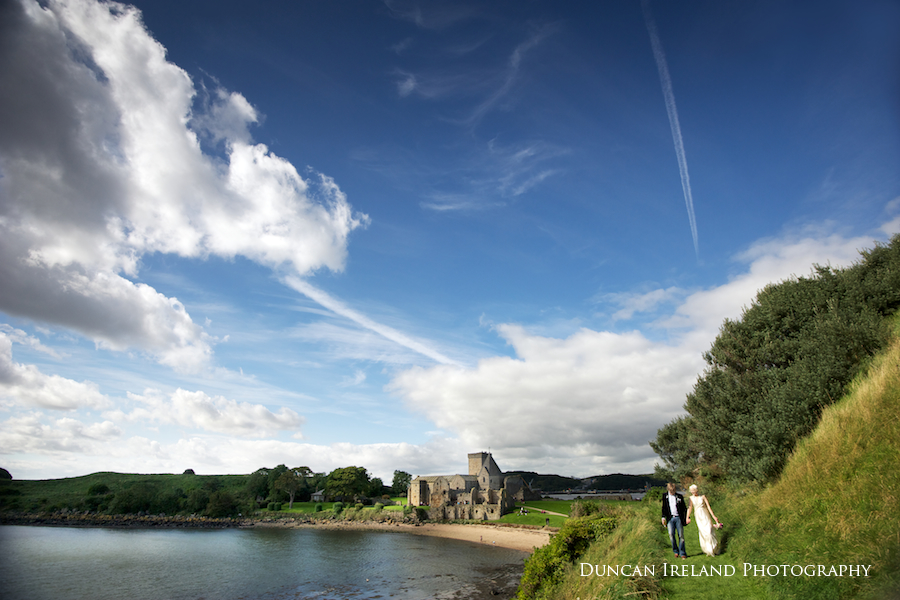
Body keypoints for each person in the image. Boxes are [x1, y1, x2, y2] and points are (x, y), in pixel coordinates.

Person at [685, 484, 721, 557]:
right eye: (691, 491)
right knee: (703, 533)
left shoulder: (703, 497)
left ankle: (714, 548)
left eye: (694, 491)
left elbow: (708, 507)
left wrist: (714, 516)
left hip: (705, 515)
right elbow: (690, 508)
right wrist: (687, 517)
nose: (692, 492)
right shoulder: (691, 498)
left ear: (696, 490)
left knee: (709, 531)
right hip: (698, 517)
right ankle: (708, 550)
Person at [660, 483, 688, 559]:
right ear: (668, 490)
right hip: (670, 518)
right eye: (671, 491)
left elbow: (684, 509)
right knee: (671, 534)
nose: (672, 492)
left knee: (681, 535)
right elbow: (664, 507)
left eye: (674, 491)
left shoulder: (679, 497)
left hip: (678, 517)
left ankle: (682, 552)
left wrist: (686, 518)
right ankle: (675, 551)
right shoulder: (665, 496)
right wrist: (663, 517)